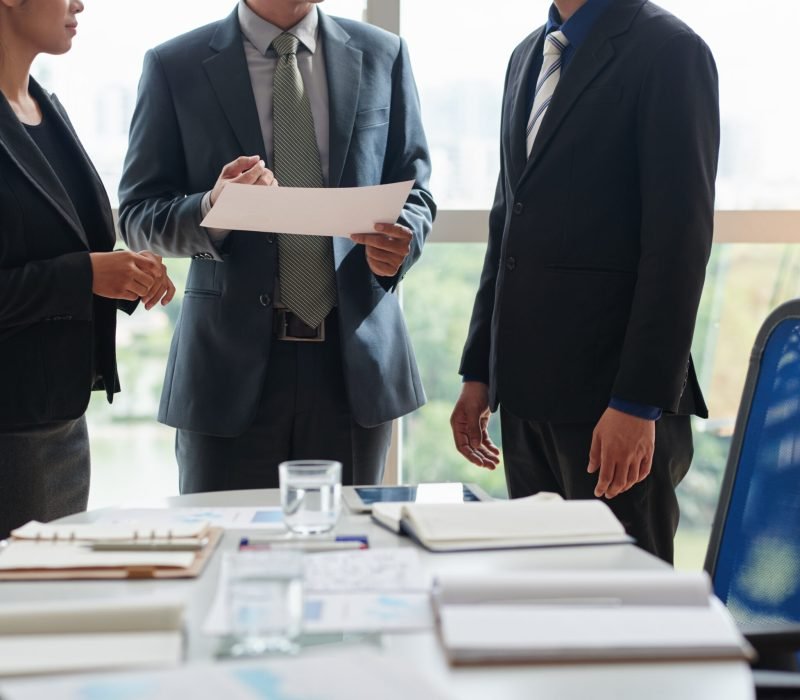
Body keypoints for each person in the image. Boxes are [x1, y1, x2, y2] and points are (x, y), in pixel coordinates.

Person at [118, 0, 434, 492]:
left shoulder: (383, 53)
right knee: (225, 538)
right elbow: (137, 215)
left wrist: (403, 242)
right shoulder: (174, 65)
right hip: (226, 370)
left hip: (353, 368)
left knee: (348, 539)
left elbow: (416, 192)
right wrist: (212, 208)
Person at [451, 0, 719, 563]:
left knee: (625, 601)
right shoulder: (527, 55)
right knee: (544, 593)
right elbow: (508, 225)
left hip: (612, 405)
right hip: (524, 398)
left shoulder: (671, 51)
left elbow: (678, 246)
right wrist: (480, 372)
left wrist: (638, 403)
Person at [0, 0, 175, 538]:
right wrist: (87, 275)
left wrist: (128, 273)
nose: (79, 3)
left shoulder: (45, 109)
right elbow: (74, 268)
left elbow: (70, 247)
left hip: (62, 420)